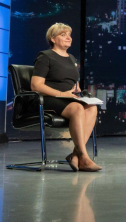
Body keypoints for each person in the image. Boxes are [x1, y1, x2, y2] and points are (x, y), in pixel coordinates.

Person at [31, 23, 101, 172]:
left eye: (69, 35)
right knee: (77, 108)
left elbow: (71, 81)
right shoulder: (45, 56)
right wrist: (62, 94)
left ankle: (75, 155)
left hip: (69, 97)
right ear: (53, 39)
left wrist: (77, 89)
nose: (68, 38)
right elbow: (36, 85)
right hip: (49, 98)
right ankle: (84, 157)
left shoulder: (71, 58)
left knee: (92, 108)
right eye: (63, 35)